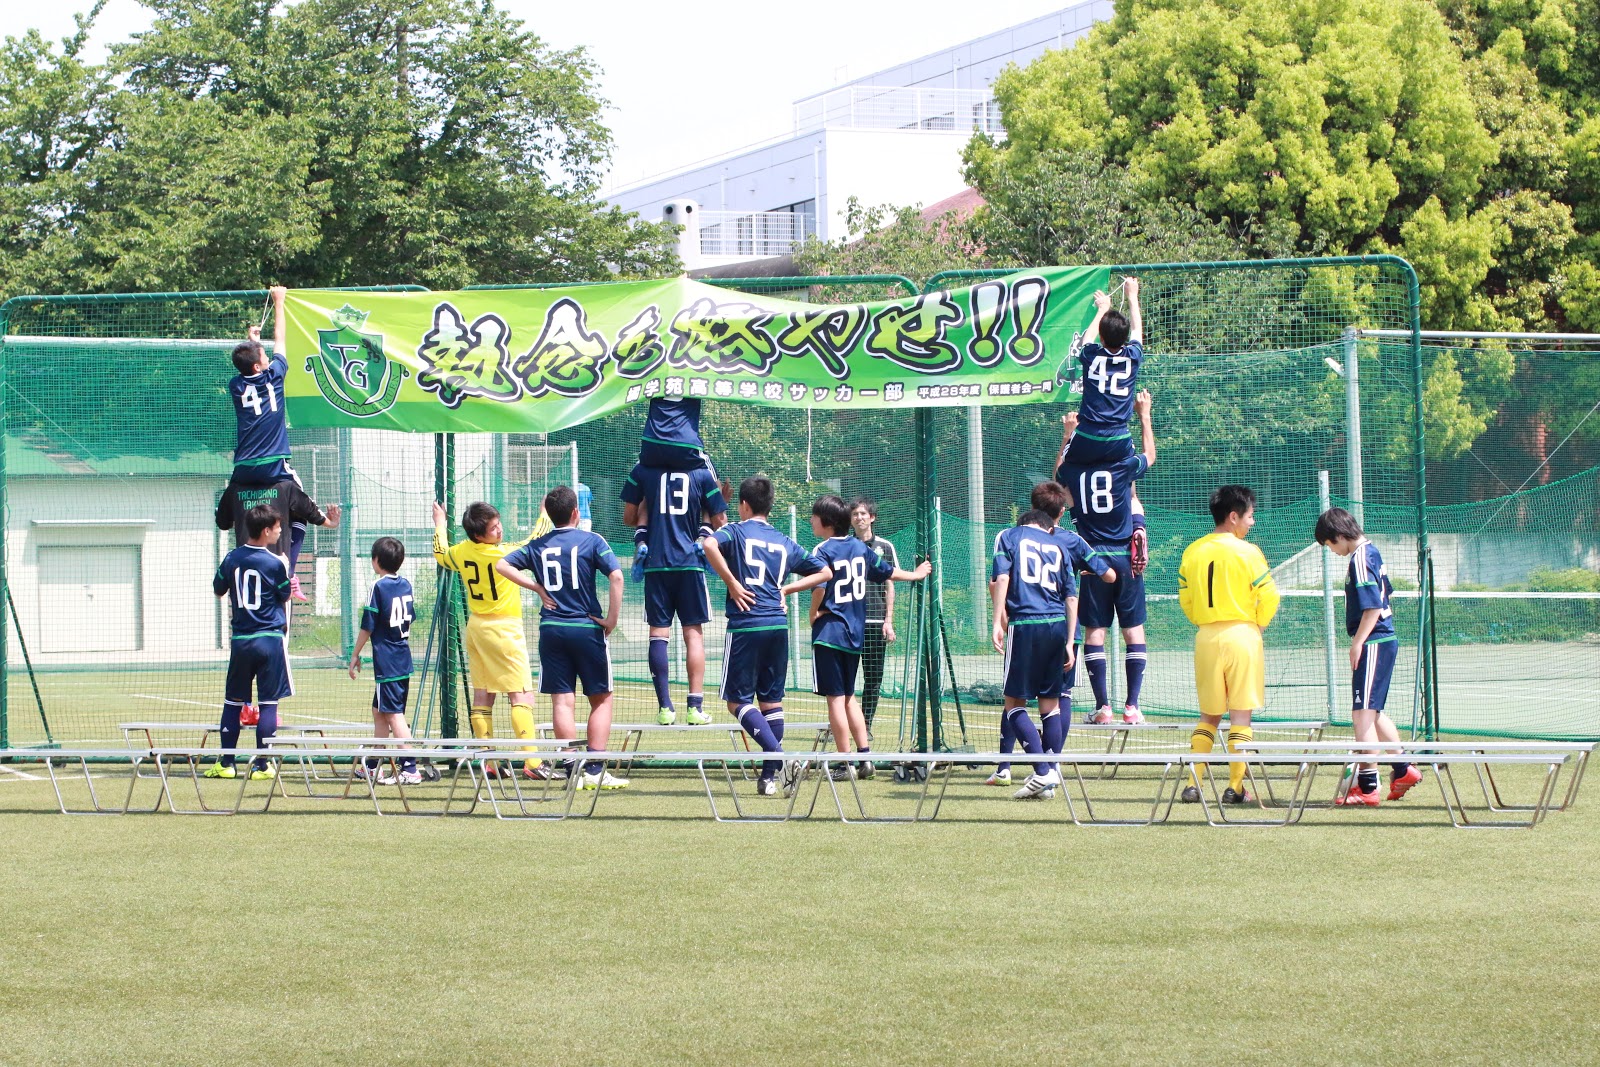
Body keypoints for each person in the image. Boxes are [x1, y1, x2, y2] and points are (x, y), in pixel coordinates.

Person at [786, 494, 930, 781]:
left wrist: (813, 613)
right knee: (849, 696)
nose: (811, 520)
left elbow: (819, 584)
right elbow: (888, 572)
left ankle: (845, 762)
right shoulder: (859, 547)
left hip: (830, 633)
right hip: (854, 632)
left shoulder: (823, 548)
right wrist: (915, 575)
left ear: (826, 522)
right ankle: (864, 757)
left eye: (814, 516)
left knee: (835, 699)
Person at [700, 476, 827, 796]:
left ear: (743, 505)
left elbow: (708, 544)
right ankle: (770, 778)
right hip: (777, 626)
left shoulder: (736, 531)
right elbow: (824, 572)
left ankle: (779, 758)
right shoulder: (783, 540)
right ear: (770, 506)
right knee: (771, 702)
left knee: (736, 701)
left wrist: (731, 582)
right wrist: (787, 589)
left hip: (747, 625)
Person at [497, 486, 628, 791]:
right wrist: (612, 619)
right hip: (585, 627)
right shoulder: (592, 540)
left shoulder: (538, 544)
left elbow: (501, 564)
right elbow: (617, 576)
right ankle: (595, 768)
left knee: (562, 700)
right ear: (575, 513)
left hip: (552, 629)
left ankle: (571, 766)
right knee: (601, 698)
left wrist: (537, 589)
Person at [990, 482, 1115, 800]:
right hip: (1060, 629)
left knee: (1014, 703)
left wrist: (996, 620)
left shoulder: (1009, 536)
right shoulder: (1062, 546)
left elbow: (1001, 579)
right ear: (1055, 518)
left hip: (1026, 623)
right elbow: (1073, 597)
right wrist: (1068, 640)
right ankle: (1049, 770)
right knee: (1054, 702)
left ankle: (1042, 770)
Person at [225, 287, 335, 600]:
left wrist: (253, 342)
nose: (267, 355)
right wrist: (280, 302)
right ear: (261, 366)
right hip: (273, 464)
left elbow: (251, 366)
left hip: (243, 469)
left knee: (247, 511)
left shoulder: (236, 384)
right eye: (262, 355)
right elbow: (282, 340)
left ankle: (253, 558)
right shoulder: (274, 375)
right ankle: (290, 569)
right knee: (298, 508)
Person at [1176, 485, 1280, 805]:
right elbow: (1270, 596)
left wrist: (1205, 621)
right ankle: (1235, 787)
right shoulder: (1247, 551)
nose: (1252, 523)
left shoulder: (1192, 551)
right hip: (1242, 635)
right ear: (1233, 517)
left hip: (1206, 637)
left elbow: (1187, 600)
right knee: (1240, 717)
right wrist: (1259, 623)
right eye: (1249, 516)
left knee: (1208, 715)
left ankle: (1194, 783)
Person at [1058, 390, 1156, 724]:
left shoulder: (1074, 472)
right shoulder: (1122, 468)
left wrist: (1068, 434)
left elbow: (1059, 475)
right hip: (1125, 558)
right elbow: (1150, 455)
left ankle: (1103, 707)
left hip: (1093, 560)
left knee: (1095, 632)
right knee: (1133, 631)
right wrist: (1144, 415)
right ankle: (1132, 707)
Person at [1315, 507, 1423, 805]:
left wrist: (1358, 643)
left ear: (1339, 535)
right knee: (1372, 712)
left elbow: (1374, 606)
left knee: (1361, 715)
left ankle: (1367, 787)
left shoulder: (1360, 558)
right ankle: (1402, 769)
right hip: (1383, 640)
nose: (1333, 552)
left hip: (1374, 640)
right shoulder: (1371, 552)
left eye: (1330, 545)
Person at [431, 499, 545, 778]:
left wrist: (439, 524)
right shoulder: (503, 554)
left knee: (483, 694)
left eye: (498, 524)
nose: (500, 530)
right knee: (521, 694)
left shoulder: (461, 551)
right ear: (478, 534)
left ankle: (488, 761)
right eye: (493, 528)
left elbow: (441, 554)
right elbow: (535, 541)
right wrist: (543, 514)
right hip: (504, 630)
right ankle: (532, 763)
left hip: (477, 628)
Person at [620, 452, 728, 726]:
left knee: (658, 634)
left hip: (656, 560)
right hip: (690, 561)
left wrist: (650, 507)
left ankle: (665, 707)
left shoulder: (644, 464)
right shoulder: (701, 467)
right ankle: (694, 707)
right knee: (693, 634)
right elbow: (721, 521)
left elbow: (628, 517)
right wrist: (712, 507)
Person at [205, 504, 292, 781]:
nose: (280, 530)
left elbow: (218, 590)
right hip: (269, 639)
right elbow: (285, 596)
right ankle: (262, 765)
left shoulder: (232, 558)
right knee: (268, 704)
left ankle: (227, 763)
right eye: (277, 527)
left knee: (233, 703)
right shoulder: (274, 563)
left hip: (242, 641)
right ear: (266, 531)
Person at [347, 536, 421, 785]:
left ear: (376, 561)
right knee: (379, 711)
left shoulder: (377, 587)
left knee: (393, 714)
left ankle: (410, 767)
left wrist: (355, 653)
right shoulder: (406, 584)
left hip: (388, 660)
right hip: (402, 656)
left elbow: (368, 625)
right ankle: (373, 765)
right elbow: (409, 617)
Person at [848, 497, 900, 734]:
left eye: (863, 514)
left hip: (876, 622)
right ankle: (848, 722)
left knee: (873, 678)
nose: (859, 518)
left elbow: (890, 584)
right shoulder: (845, 545)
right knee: (846, 678)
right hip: (848, 622)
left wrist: (889, 620)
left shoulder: (885, 547)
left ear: (872, 518)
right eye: (855, 514)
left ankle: (866, 723)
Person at [215, 477, 340, 570]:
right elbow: (308, 510)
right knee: (300, 517)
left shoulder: (235, 488)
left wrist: (241, 517)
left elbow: (223, 522)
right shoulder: (285, 485)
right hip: (277, 567)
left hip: (244, 565)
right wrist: (331, 523)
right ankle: (291, 574)